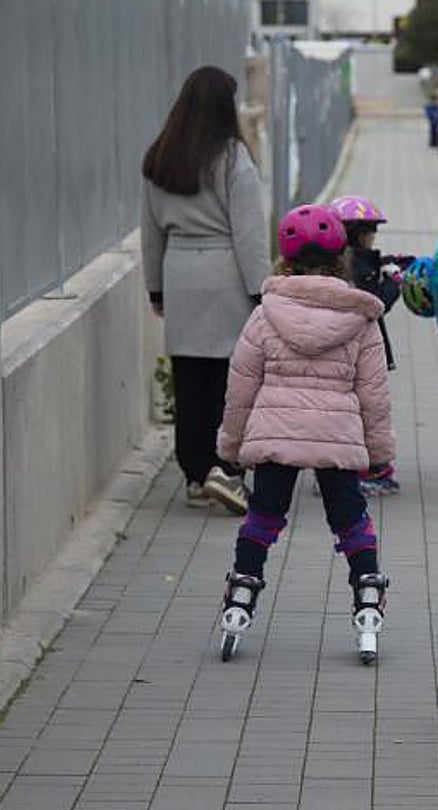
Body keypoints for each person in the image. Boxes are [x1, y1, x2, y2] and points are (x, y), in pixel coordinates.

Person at [215, 203, 394, 666]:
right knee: (350, 519)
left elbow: (241, 385)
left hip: (276, 433)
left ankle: (241, 595)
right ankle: (368, 598)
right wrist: (377, 452)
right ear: (342, 258)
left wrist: (232, 446)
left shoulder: (265, 314)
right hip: (336, 436)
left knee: (264, 515)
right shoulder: (361, 320)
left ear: (285, 260)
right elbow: (373, 393)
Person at [141, 65, 269, 515]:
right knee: (228, 381)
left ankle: (194, 474)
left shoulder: (160, 157)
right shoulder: (233, 158)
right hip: (225, 275)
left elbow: (150, 232)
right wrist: (261, 291)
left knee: (188, 379)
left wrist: (155, 287)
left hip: (179, 272)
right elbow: (249, 232)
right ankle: (224, 469)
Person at [331, 194, 417, 497]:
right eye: (371, 231)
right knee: (367, 409)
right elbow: (375, 304)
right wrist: (395, 282)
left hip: (342, 352)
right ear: (359, 233)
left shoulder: (340, 262)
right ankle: (369, 469)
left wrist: (386, 262)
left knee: (347, 409)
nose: (373, 237)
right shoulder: (359, 263)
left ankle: (336, 468)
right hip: (364, 350)